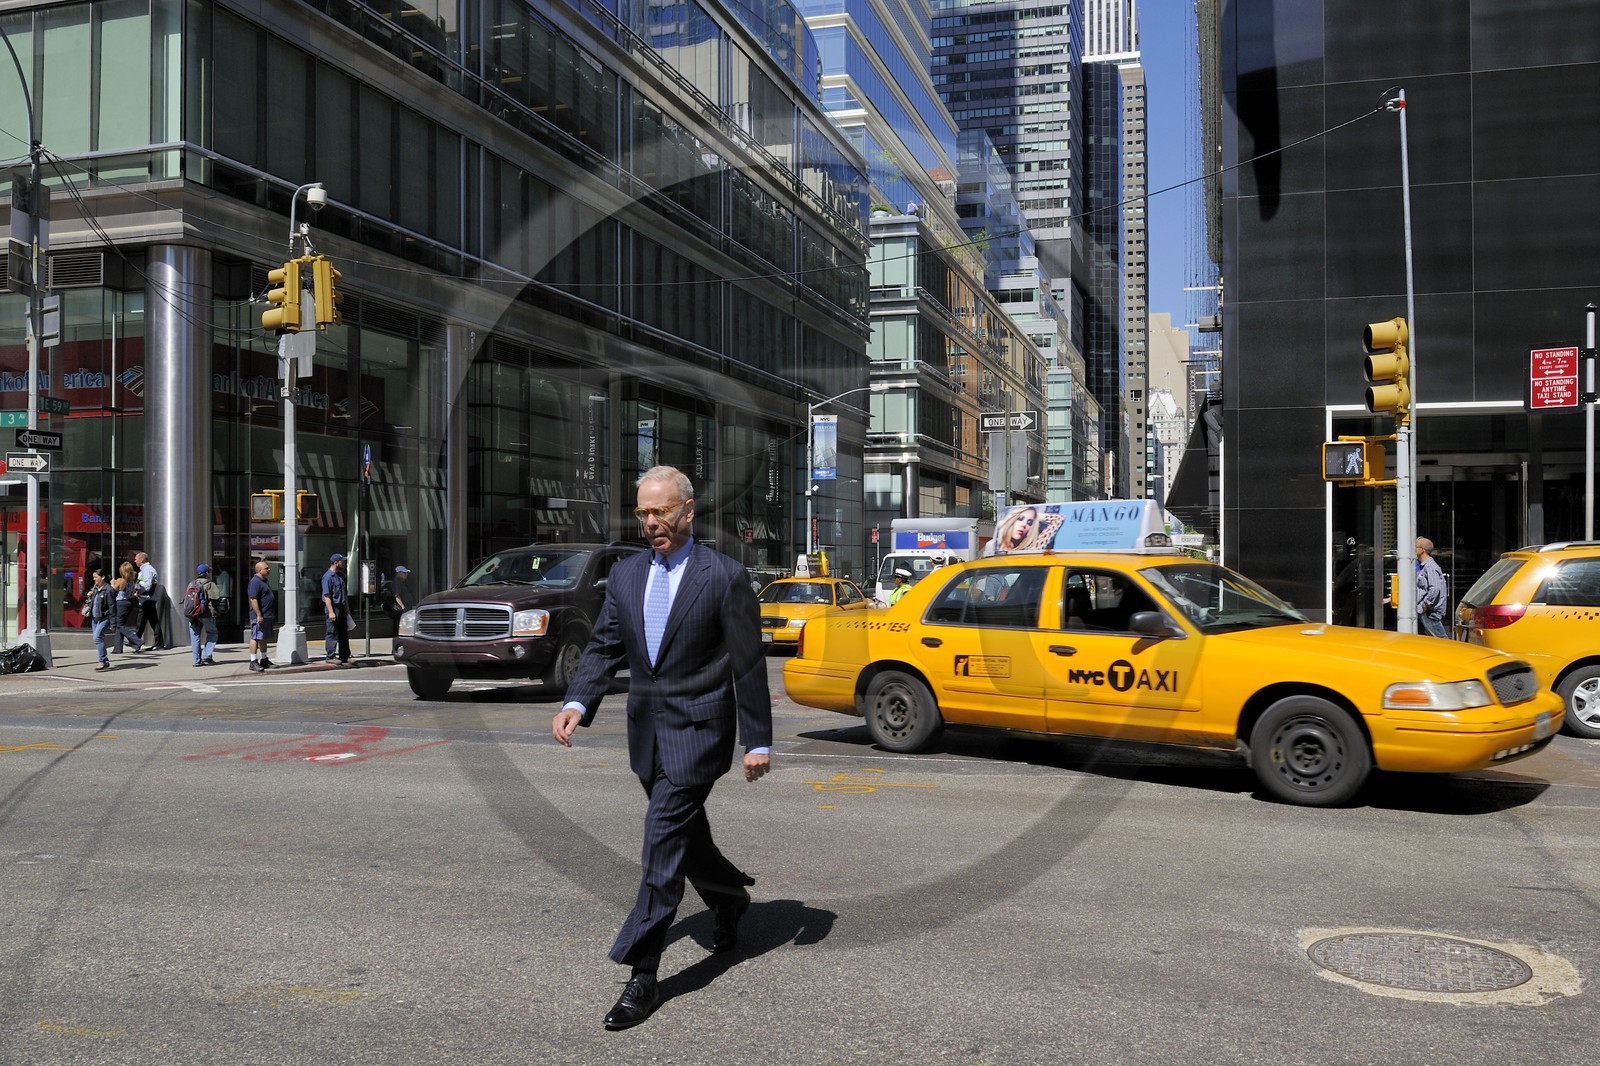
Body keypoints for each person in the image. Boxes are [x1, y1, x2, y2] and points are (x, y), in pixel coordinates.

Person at [551, 465, 772, 1031]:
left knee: (661, 844)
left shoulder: (722, 576)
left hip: (700, 733)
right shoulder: (625, 577)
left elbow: (747, 663)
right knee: (684, 834)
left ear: (688, 511)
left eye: (661, 512)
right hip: (646, 734)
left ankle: (643, 975)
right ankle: (727, 900)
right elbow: (603, 649)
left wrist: (758, 741)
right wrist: (578, 703)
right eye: (643, 513)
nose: (651, 523)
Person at [185, 564, 224, 666]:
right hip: (206, 614)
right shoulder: (210, 584)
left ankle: (196, 660)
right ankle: (206, 656)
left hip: (193, 614)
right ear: (206, 573)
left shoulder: (191, 584)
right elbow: (216, 597)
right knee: (212, 633)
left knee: (195, 637)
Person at [1414, 537, 1449, 638]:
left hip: (1429, 611)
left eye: (1416, 547)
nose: (1414, 550)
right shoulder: (1422, 566)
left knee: (1441, 640)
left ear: (1422, 550)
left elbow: (1435, 589)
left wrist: (1424, 604)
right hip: (1425, 610)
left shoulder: (1430, 567)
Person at [247, 559, 277, 671]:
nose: (269, 570)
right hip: (259, 616)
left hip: (267, 615)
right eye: (266, 568)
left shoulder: (264, 581)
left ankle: (264, 659)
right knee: (255, 637)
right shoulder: (255, 582)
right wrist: (258, 614)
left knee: (263, 637)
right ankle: (253, 661)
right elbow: (253, 599)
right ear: (259, 570)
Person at [322, 553, 352, 664]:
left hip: (342, 607)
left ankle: (345, 655)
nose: (343, 563)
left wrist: (347, 609)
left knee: (343, 632)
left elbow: (344, 593)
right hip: (333, 607)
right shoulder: (328, 577)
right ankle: (330, 656)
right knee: (332, 632)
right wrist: (331, 612)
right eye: (341, 561)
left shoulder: (340, 576)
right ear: (335, 563)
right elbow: (327, 596)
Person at [85, 568, 116, 670]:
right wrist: (90, 595)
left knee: (97, 637)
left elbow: (112, 606)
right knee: (99, 638)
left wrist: (113, 623)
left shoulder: (108, 590)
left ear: (102, 577)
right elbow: (94, 603)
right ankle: (105, 661)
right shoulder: (95, 588)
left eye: (96, 577)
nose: (94, 579)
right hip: (95, 618)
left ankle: (102, 661)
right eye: (93, 577)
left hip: (104, 617)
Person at [133, 551, 165, 647]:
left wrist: (139, 592)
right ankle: (158, 643)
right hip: (146, 599)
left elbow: (147, 586)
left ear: (142, 560)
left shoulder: (147, 570)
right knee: (151, 621)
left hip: (147, 599)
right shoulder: (144, 570)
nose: (135, 561)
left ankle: (135, 641)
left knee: (141, 622)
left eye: (136, 559)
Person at [113, 561, 142, 654]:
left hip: (120, 603)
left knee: (119, 625)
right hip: (129, 603)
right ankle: (117, 648)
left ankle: (137, 641)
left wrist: (112, 583)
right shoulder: (131, 582)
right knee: (120, 625)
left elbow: (112, 590)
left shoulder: (120, 580)